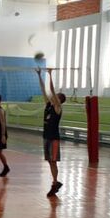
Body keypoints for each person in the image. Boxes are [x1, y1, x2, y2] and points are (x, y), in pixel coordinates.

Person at [36, 68, 66, 197]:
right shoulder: (48, 105)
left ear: (59, 100)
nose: (53, 96)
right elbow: (44, 89)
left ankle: (54, 182)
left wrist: (50, 75)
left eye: (56, 97)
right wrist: (39, 75)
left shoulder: (58, 108)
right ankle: (55, 182)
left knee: (53, 161)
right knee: (49, 161)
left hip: (54, 138)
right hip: (46, 137)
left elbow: (52, 91)